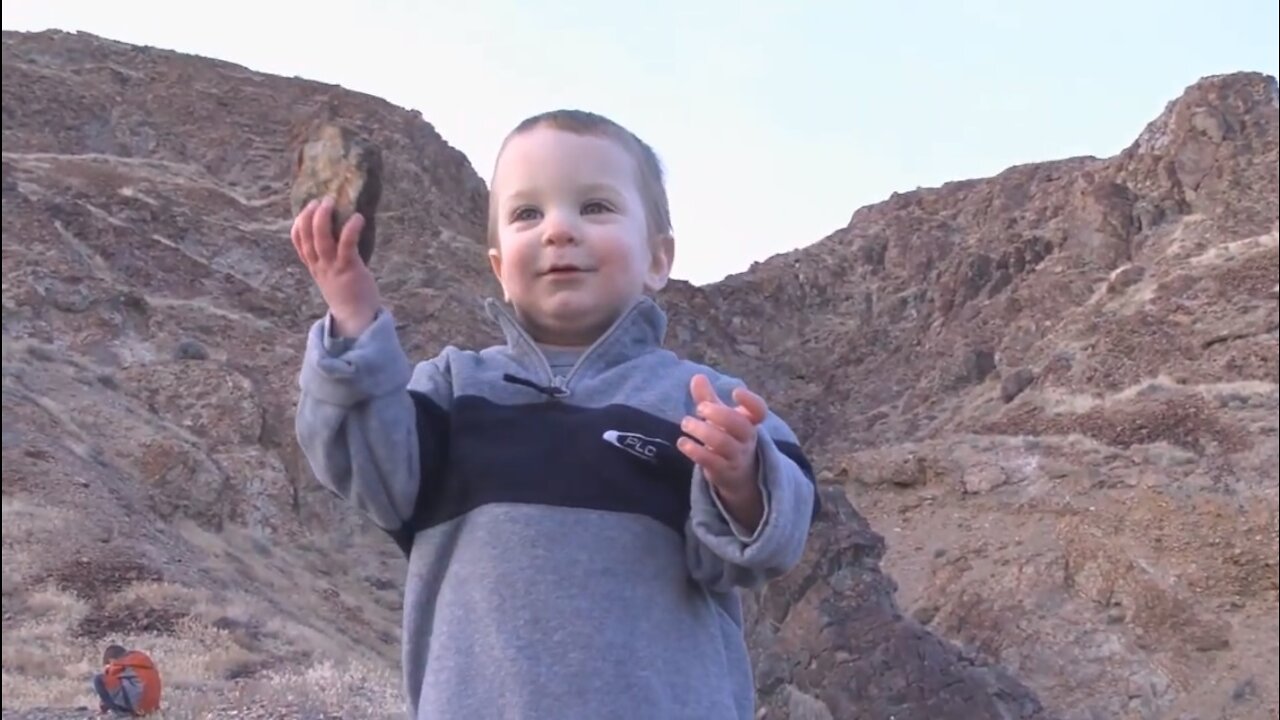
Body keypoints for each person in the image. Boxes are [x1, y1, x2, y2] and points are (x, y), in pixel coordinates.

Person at [293, 109, 819, 720]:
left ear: (658, 258)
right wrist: (353, 320)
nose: (558, 230)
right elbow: (366, 470)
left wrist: (743, 477)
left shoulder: (700, 402)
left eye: (595, 207)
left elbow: (773, 540)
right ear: (498, 267)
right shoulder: (450, 388)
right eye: (527, 214)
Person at [91, 644, 161, 716]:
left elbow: (108, 684)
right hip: (151, 708)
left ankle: (118, 714)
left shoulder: (119, 664)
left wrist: (104, 707)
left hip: (136, 705)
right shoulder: (142, 663)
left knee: (99, 679)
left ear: (111, 661)